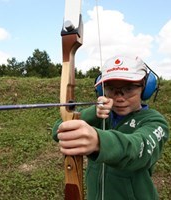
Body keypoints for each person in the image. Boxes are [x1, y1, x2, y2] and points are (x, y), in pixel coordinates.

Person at [52, 55, 169, 200]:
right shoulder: (99, 116)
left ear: (145, 88)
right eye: (111, 88)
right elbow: (58, 130)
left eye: (129, 88)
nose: (119, 97)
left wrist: (99, 142)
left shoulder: (155, 121)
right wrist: (93, 113)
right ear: (102, 91)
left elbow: (138, 148)